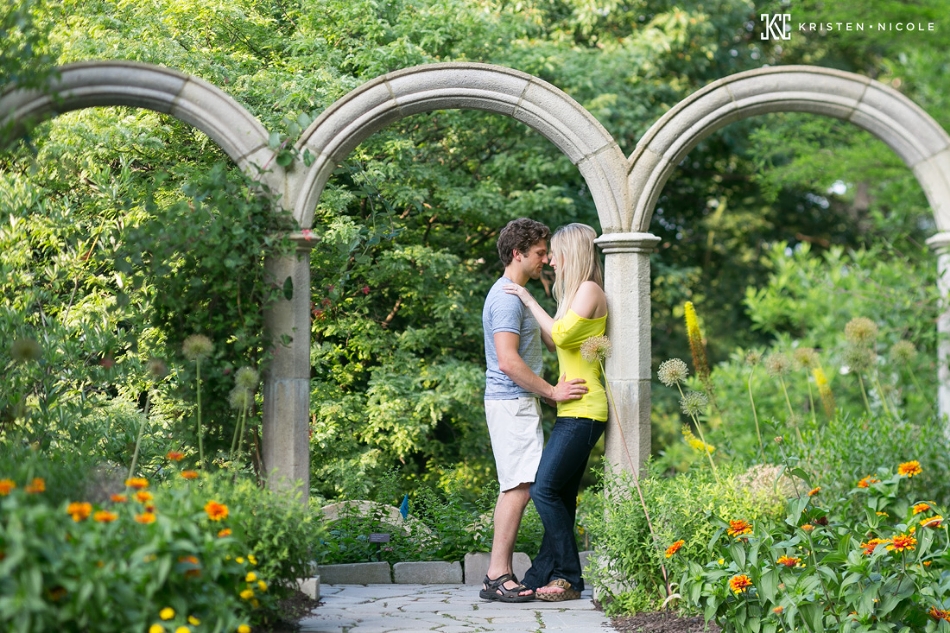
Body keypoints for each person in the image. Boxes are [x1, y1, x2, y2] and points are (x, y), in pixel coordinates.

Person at [480, 218, 589, 603]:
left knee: (519, 484)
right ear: (518, 253)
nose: (545, 258)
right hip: (511, 403)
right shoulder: (508, 298)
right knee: (520, 487)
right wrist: (551, 392)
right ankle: (497, 575)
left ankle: (501, 572)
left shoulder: (517, 295)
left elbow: (554, 335)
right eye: (540, 252)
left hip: (516, 403)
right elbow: (508, 361)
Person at [503, 222, 607, 602]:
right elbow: (553, 340)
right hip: (572, 409)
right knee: (560, 495)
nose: (551, 261)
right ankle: (539, 575)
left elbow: (560, 336)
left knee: (544, 490)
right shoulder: (573, 295)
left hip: (586, 408)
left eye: (555, 254)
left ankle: (570, 577)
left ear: (573, 253)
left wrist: (529, 300)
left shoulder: (590, 290)